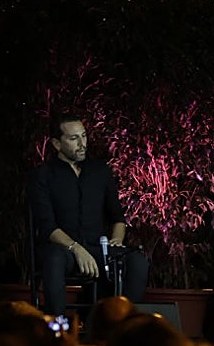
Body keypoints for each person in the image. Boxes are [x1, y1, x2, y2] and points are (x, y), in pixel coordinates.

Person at [27, 111, 149, 316]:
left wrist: (116, 241)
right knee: (53, 259)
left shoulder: (100, 171)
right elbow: (47, 226)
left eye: (83, 136)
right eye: (74, 138)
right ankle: (57, 325)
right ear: (57, 143)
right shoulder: (43, 175)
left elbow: (118, 218)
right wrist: (76, 249)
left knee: (137, 261)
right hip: (64, 250)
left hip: (98, 249)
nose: (82, 143)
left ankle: (124, 323)